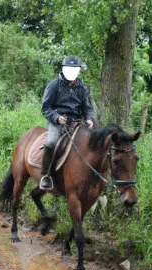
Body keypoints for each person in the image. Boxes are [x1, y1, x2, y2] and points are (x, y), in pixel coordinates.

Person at [40, 55, 98, 191]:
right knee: (52, 142)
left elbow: (87, 108)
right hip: (58, 122)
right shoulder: (54, 85)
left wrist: (89, 118)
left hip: (77, 122)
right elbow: (45, 108)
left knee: (92, 143)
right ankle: (46, 175)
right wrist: (57, 117)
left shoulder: (82, 88)